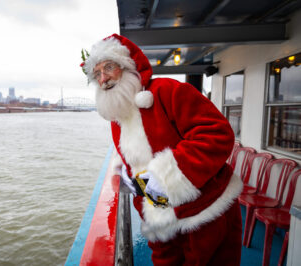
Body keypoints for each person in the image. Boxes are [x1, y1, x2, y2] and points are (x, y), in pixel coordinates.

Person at [80, 34, 243, 265]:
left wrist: (163, 178)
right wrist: (127, 177)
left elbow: (217, 134)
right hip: (158, 215)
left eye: (109, 67)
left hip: (205, 211)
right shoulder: (118, 117)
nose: (104, 78)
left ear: (127, 66)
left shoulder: (167, 90)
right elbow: (133, 162)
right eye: (97, 74)